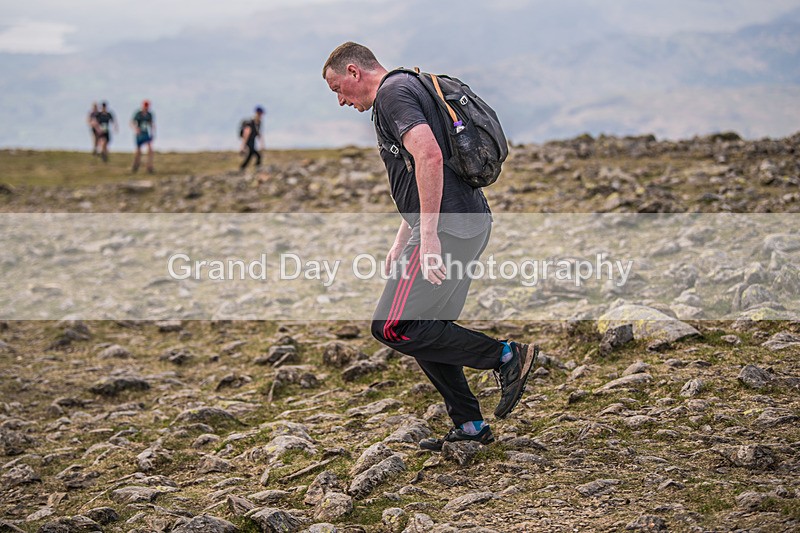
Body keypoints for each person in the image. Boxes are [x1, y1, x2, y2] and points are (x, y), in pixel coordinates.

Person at [323, 42, 539, 450]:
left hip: (448, 230)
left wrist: (429, 237)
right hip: (469, 224)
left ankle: (505, 356)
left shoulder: (391, 94)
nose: (340, 101)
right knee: (426, 327)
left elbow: (429, 156)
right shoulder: (410, 84)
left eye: (338, 89)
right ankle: (470, 425)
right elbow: (417, 173)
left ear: (354, 71)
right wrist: (404, 236)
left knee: (393, 326)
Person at [131, 100, 156, 173]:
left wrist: (152, 132)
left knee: (150, 149)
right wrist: (136, 129)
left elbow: (151, 124)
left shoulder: (149, 114)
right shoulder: (138, 114)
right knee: (138, 151)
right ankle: (136, 165)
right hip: (139, 134)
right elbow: (132, 122)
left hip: (146, 134)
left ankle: (149, 166)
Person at [240, 106, 265, 171]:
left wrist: (262, 144)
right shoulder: (250, 122)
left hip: (252, 140)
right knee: (256, 154)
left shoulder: (258, 123)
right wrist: (243, 145)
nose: (260, 115)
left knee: (251, 154)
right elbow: (246, 133)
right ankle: (257, 167)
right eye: (259, 114)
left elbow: (259, 133)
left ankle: (242, 168)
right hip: (248, 141)